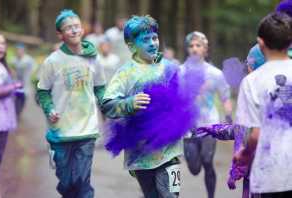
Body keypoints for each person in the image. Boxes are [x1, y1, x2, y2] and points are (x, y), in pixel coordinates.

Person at [101, 15, 183, 198]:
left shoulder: (171, 69)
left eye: (155, 38)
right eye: (146, 40)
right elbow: (107, 104)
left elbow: (183, 102)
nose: (153, 43)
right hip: (141, 155)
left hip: (170, 151)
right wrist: (129, 104)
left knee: (170, 196)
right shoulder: (125, 73)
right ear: (131, 46)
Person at [36, 9, 106, 198]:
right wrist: (49, 108)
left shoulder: (93, 57)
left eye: (77, 26)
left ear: (82, 30)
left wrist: (106, 104)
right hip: (61, 131)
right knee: (67, 182)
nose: (74, 31)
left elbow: (100, 87)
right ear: (60, 34)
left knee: (82, 182)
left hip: (87, 129)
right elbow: (42, 91)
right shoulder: (53, 61)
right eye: (68, 28)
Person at [234, 12, 292, 198]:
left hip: (271, 174)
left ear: (260, 43)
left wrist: (244, 154)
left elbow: (255, 134)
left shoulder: (252, 82)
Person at [182, 31, 233, 198]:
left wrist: (228, 117)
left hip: (210, 125)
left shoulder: (215, 73)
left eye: (199, 45)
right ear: (187, 49)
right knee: (194, 168)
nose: (195, 49)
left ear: (206, 49)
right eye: (191, 45)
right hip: (188, 126)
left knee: (207, 161)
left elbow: (225, 97)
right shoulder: (180, 72)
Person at [0, 32, 22, 198]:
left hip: (2, 124)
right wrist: (15, 86)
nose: (0, 47)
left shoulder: (2, 66)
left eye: (2, 43)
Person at [11, 43, 36, 117]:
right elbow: (11, 69)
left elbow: (34, 68)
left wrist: (30, 74)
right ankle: (17, 114)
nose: (19, 51)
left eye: (20, 50)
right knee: (16, 100)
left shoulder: (28, 60)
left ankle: (19, 112)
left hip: (26, 84)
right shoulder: (13, 60)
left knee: (23, 100)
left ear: (23, 51)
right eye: (17, 50)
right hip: (16, 84)